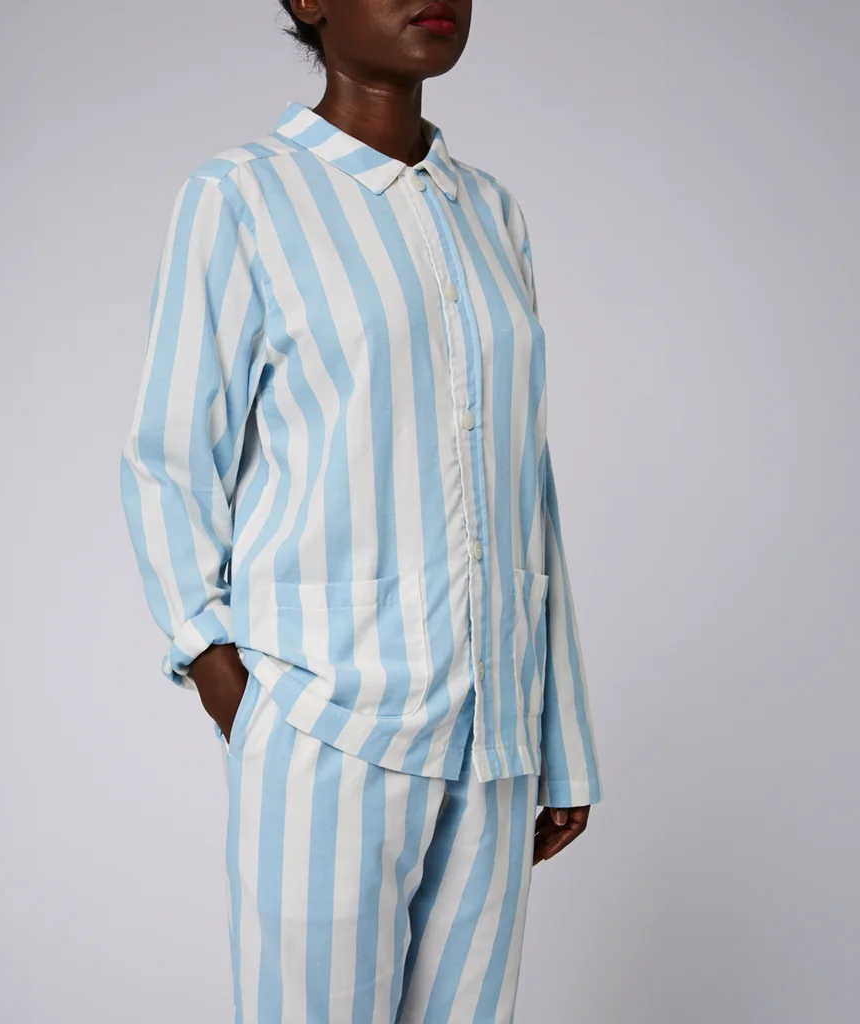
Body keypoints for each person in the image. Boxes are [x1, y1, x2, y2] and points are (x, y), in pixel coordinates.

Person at [119, 1, 603, 1019]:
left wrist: (559, 731)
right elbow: (169, 461)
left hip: (494, 738)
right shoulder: (243, 198)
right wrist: (228, 683)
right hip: (324, 728)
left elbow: (528, 480)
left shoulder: (492, 213)